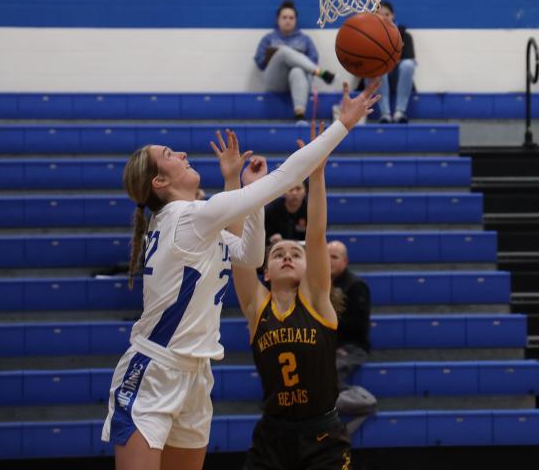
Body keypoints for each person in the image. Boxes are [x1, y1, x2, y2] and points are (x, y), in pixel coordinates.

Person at [101, 82, 379, 470]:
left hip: (196, 376)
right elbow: (282, 180)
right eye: (169, 154)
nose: (181, 153)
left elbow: (248, 253)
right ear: (159, 182)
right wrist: (342, 125)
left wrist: (241, 187)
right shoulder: (187, 217)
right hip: (155, 371)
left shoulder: (195, 224)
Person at [232, 124, 353, 470]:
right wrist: (242, 189)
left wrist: (317, 173)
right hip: (273, 437)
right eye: (278, 253)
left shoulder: (316, 299)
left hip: (322, 437)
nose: (287, 255)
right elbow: (239, 250)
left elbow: (315, 233)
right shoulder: (257, 306)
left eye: (294, 254)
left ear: (308, 269)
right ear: (265, 272)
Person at [254, 0, 336, 124]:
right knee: (284, 51)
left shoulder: (305, 39)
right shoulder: (268, 38)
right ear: (278, 19)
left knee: (297, 70)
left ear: (295, 20)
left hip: (300, 80)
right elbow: (260, 63)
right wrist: (277, 57)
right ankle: (321, 73)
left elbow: (314, 60)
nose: (288, 20)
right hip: (276, 80)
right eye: (284, 17)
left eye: (291, 17)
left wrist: (294, 60)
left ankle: (300, 115)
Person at [328, 240, 372, 388]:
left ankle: (355, 401)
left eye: (334, 257)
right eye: (326, 256)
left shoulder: (356, 286)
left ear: (345, 261)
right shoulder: (317, 284)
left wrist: (328, 321)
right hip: (326, 344)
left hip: (351, 346)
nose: (329, 261)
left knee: (327, 372)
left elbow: (359, 325)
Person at [375, 0, 417, 123]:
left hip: (397, 78)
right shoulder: (368, 36)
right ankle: (385, 114)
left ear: (393, 15)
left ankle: (400, 111)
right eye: (379, 15)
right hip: (377, 78)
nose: (384, 18)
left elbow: (407, 59)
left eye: (387, 14)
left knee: (408, 64)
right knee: (378, 67)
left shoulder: (405, 35)